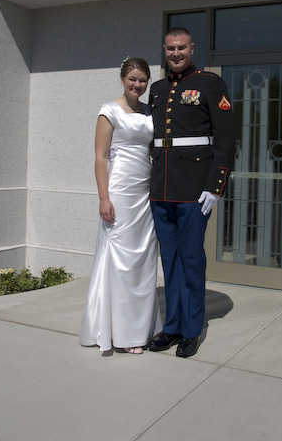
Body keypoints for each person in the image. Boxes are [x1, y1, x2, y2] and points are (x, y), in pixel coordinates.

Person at [148, 27, 236, 358]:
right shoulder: (157, 89)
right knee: (170, 261)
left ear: (192, 48)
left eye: (181, 48)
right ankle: (172, 326)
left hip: (194, 190)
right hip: (161, 188)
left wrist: (215, 186)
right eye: (171, 48)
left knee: (191, 259)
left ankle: (191, 330)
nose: (176, 53)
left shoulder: (210, 83)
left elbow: (225, 139)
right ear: (164, 49)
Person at [80, 58, 162, 354]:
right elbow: (100, 157)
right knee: (122, 261)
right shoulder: (109, 111)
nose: (137, 85)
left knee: (143, 261)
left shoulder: (149, 112)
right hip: (119, 193)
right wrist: (104, 197)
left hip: (145, 192)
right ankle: (121, 334)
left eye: (142, 80)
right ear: (122, 79)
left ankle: (139, 328)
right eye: (132, 79)